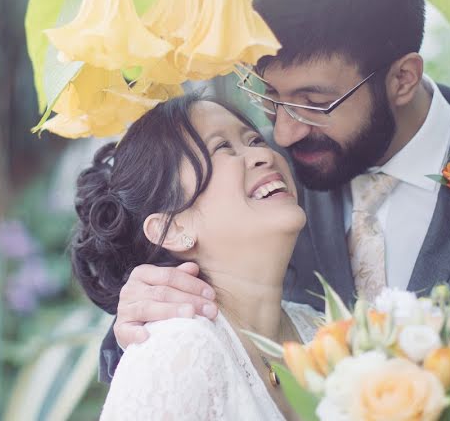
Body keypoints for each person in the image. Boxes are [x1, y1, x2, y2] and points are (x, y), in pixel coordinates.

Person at [99, 0, 450, 418]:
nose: (283, 131)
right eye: (270, 96)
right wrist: (135, 323)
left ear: (403, 78)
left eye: (314, 102)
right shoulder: (269, 193)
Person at [71, 93, 322, 419]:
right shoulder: (175, 355)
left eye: (255, 139)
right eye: (222, 148)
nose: (263, 154)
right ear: (173, 228)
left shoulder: (325, 331)